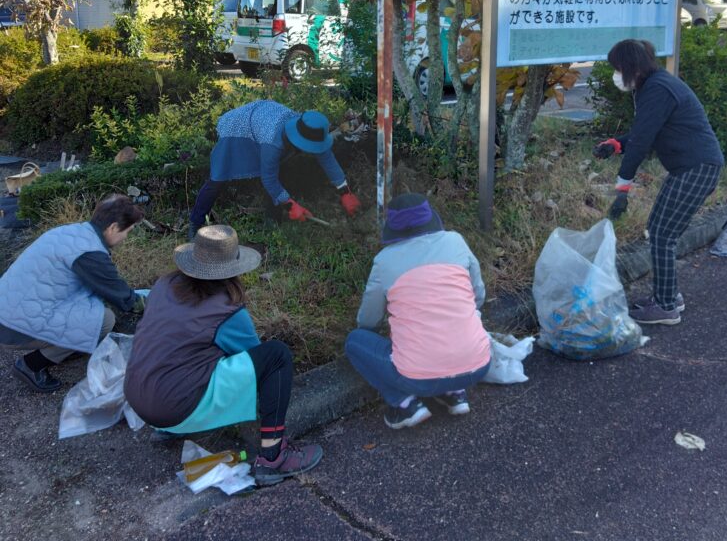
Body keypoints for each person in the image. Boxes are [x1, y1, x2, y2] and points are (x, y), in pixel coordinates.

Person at [123, 225, 322, 487]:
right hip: (175, 408)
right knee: (276, 356)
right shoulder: (227, 309)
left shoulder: (163, 285)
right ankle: (274, 457)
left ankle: (165, 431)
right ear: (234, 268)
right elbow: (254, 358)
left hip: (138, 396)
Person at [593, 39, 724, 326]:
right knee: (659, 231)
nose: (616, 74)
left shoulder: (658, 89)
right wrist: (616, 145)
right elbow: (644, 133)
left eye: (617, 68)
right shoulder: (654, 85)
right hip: (690, 167)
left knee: (662, 235)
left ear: (630, 67)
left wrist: (622, 189)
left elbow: (641, 142)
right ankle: (669, 296)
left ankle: (666, 307)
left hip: (696, 168)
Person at [345, 193, 491, 430]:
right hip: (479, 365)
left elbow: (368, 320)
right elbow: (478, 296)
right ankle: (455, 392)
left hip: (417, 377)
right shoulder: (456, 241)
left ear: (393, 228)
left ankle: (404, 404)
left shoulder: (384, 261)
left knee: (355, 342)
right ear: (430, 218)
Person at [0, 194, 146, 392]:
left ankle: (68, 345)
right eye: (127, 231)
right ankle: (31, 365)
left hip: (10, 307)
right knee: (104, 320)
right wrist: (153, 304)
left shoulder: (72, 232)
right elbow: (122, 296)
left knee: (91, 307)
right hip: (13, 327)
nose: (126, 237)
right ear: (112, 227)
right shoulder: (90, 253)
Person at [188, 100, 361, 238]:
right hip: (239, 126)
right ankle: (195, 223)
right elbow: (268, 178)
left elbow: (327, 158)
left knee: (280, 171)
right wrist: (291, 205)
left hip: (264, 121)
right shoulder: (273, 142)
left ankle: (272, 222)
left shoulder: (310, 128)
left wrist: (345, 192)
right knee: (218, 178)